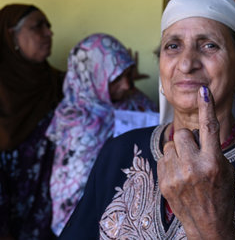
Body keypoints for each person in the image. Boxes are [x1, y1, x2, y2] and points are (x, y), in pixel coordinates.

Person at [59, 0, 235, 239]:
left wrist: (212, 227)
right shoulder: (118, 154)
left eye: (209, 45)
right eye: (173, 46)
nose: (186, 64)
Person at [45, 33, 156, 236]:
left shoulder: (137, 102)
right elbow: (70, 195)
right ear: (92, 78)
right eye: (115, 79)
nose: (127, 85)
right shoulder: (77, 123)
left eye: (129, 74)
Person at [0, 4, 64, 240]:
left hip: (46, 214)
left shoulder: (59, 83)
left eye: (48, 26)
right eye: (38, 26)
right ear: (11, 35)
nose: (49, 33)